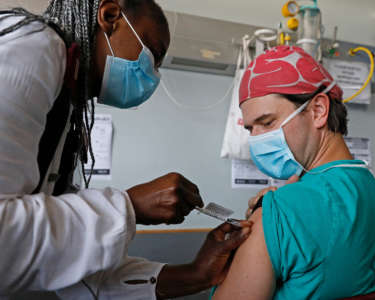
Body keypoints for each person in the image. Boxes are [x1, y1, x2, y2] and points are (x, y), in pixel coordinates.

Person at [0, 1, 252, 299]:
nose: (153, 75)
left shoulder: (66, 105)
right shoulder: (33, 46)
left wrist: (196, 273)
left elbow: (67, 266)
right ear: (109, 16)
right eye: (153, 55)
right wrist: (129, 207)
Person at [212, 46, 375, 299]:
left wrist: (274, 212)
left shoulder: (278, 210)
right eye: (249, 129)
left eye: (267, 122)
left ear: (318, 110)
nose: (256, 140)